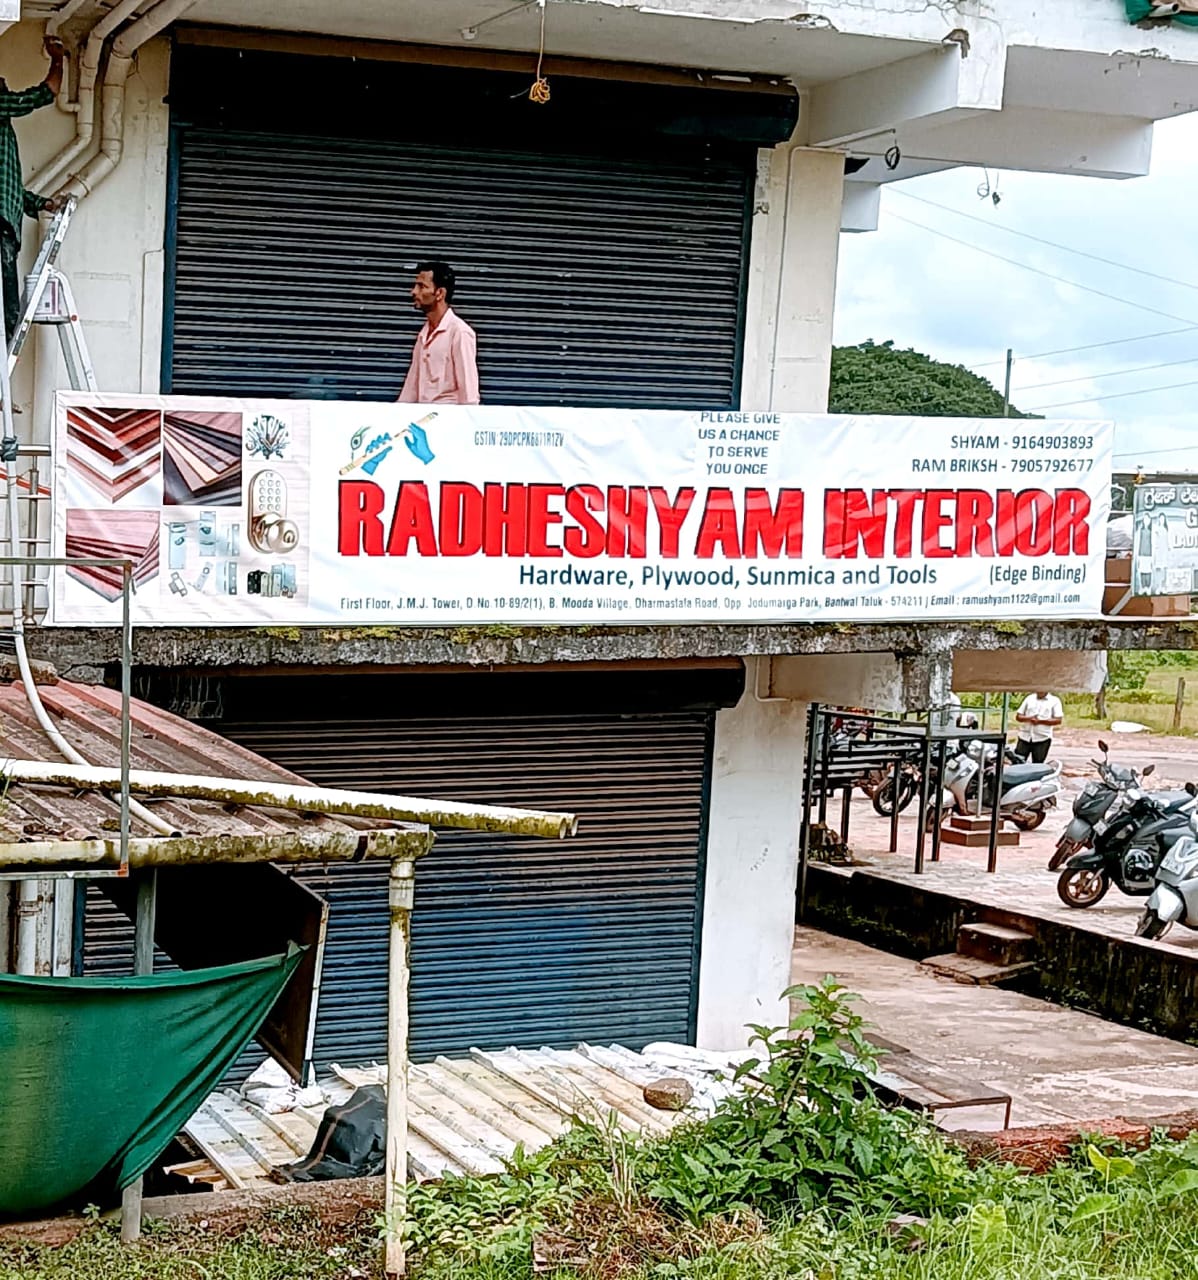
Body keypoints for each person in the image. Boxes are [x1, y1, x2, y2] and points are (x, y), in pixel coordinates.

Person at [0, 38, 66, 344]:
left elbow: (12, 190)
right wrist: (57, 60)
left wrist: (44, 203)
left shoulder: (3, 136)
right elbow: (44, 94)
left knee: (8, 317)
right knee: (7, 315)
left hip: (5, 228)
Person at [397, 260, 480, 405]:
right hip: (425, 420)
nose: (414, 292)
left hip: (448, 420)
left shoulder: (459, 332)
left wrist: (467, 423)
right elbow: (411, 389)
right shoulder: (423, 335)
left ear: (440, 293)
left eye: (421, 286)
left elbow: (469, 393)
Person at [1013, 689, 1063, 763]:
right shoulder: (1029, 698)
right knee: (1017, 762)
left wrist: (1040, 721)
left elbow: (1058, 720)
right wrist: (1029, 718)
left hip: (1042, 738)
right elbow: (1018, 716)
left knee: (1038, 764)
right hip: (1025, 737)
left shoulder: (1054, 701)